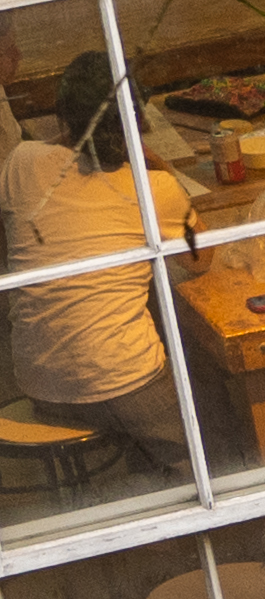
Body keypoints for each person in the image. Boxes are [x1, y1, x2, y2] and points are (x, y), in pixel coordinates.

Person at [0, 64, 186, 453]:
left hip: (42, 386)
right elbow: (203, 258)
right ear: (139, 122)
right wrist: (155, 162)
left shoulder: (21, 162)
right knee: (211, 426)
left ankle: (143, 471)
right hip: (127, 383)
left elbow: (55, 155)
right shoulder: (155, 187)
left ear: (60, 117)